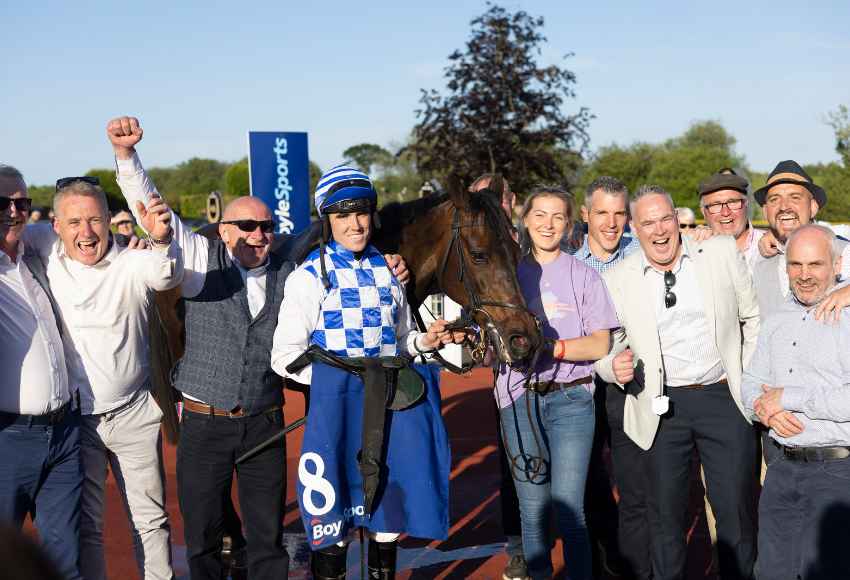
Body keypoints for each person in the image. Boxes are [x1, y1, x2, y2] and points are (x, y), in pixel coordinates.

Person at [109, 116, 293, 580]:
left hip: (265, 423)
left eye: (267, 225)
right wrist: (128, 158)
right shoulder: (198, 259)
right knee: (204, 538)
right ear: (224, 230)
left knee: (267, 539)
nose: (259, 234)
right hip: (204, 426)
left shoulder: (290, 274)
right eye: (247, 225)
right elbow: (153, 211)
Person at [271, 164, 460, 579]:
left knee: (387, 521)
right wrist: (337, 386)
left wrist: (424, 343)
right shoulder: (308, 277)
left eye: (361, 213)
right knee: (332, 524)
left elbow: (403, 340)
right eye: (342, 215)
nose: (355, 224)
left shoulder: (391, 271)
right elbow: (284, 357)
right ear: (327, 219)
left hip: (388, 411)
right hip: (337, 415)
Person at [595, 185, 760, 580]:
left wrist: (747, 379)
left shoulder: (718, 253)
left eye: (665, 219)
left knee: (735, 511)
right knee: (665, 517)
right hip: (661, 407)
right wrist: (609, 367)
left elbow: (752, 318)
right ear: (635, 228)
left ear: (679, 220)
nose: (659, 230)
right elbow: (606, 347)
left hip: (724, 398)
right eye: (647, 223)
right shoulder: (619, 277)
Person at [22, 176, 181, 580]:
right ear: (55, 226)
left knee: (151, 521)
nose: (86, 232)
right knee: (88, 525)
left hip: (134, 415)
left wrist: (161, 240)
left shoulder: (132, 260)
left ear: (110, 220)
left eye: (94, 220)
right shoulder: (43, 247)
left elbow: (165, 274)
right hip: (77, 423)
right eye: (73, 222)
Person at [496, 185, 619, 580]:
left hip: (572, 401)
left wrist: (551, 348)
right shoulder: (506, 275)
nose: (548, 224)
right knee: (532, 509)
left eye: (557, 217)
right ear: (525, 219)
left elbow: (601, 342)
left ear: (569, 223)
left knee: (570, 508)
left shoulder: (583, 274)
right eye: (539, 215)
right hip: (517, 399)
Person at [742, 224, 850, 579]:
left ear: (837, 265)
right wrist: (765, 412)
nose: (804, 276)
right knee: (771, 572)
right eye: (795, 265)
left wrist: (789, 398)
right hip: (782, 468)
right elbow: (752, 384)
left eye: (815, 265)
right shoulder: (776, 320)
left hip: (836, 472)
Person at [0, 165, 82, 580]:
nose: (14, 211)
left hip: (64, 434)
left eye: (22, 203)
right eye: (3, 203)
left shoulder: (33, 257)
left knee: (66, 562)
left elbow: (84, 230)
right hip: (8, 439)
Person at [573, 176, 648, 580]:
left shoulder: (644, 255)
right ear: (586, 215)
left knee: (636, 480)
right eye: (602, 212)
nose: (611, 222)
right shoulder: (570, 266)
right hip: (584, 386)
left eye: (619, 213)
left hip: (633, 384)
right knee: (588, 481)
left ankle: (638, 563)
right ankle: (605, 562)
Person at [753, 160, 850, 320]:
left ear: (813, 207)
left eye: (795, 197)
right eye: (774, 199)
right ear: (765, 211)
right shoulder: (755, 255)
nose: (784, 206)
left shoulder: (842, 250)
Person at [698, 168, 765, 269]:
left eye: (732, 202)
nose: (725, 212)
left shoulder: (773, 246)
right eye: (716, 205)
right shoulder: (694, 253)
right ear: (703, 212)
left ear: (746, 204)